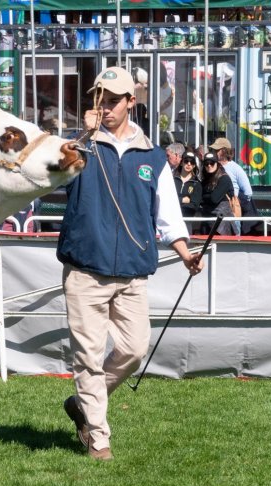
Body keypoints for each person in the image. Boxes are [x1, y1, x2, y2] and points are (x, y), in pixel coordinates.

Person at [57, 66, 203, 461]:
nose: (103, 106)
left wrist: (185, 252)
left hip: (133, 272)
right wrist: (83, 136)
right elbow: (53, 177)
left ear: (130, 103)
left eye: (111, 100)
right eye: (99, 98)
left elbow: (168, 214)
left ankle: (83, 404)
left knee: (135, 350)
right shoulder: (83, 146)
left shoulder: (153, 156)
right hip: (85, 267)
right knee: (87, 355)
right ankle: (98, 436)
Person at [210, 137, 252, 236]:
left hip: (231, 213)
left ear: (224, 151)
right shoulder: (211, 167)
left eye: (217, 150)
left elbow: (248, 192)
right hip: (213, 211)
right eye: (214, 150)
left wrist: (234, 201)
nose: (214, 152)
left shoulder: (235, 168)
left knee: (233, 241)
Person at [199, 152, 237, 236]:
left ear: (217, 164)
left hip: (223, 222)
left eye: (212, 163)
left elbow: (214, 199)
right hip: (207, 220)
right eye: (206, 163)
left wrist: (202, 197)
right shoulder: (205, 180)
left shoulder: (224, 178)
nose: (209, 165)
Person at [174, 151, 202, 232]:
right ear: (182, 163)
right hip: (171, 219)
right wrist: (183, 200)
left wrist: (175, 201)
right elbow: (167, 199)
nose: (189, 164)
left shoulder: (196, 184)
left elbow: (194, 206)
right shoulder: (172, 180)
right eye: (186, 161)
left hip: (186, 221)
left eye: (192, 162)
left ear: (194, 166)